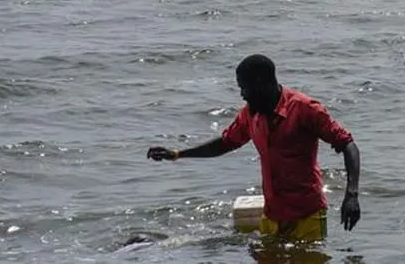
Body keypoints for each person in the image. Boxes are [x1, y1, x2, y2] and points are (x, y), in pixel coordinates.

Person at [146, 55, 362, 241]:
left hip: (308, 214)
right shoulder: (250, 114)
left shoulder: (305, 109)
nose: (242, 95)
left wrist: (351, 195)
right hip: (272, 214)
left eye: (244, 88)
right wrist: (177, 154)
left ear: (262, 84)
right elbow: (225, 143)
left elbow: (348, 145)